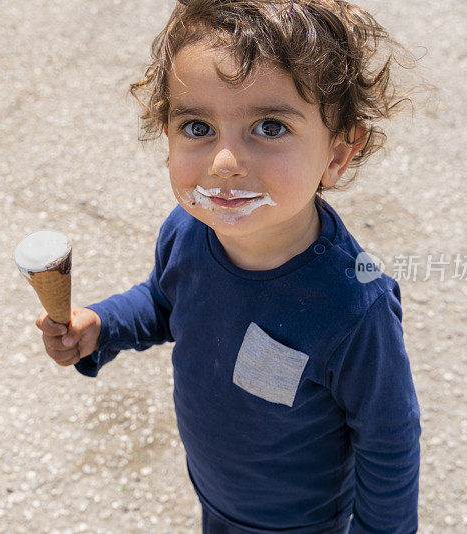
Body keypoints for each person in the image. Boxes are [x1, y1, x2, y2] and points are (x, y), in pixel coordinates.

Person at [36, 1, 421, 532]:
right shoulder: (188, 231)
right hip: (218, 498)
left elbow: (389, 438)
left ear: (337, 153)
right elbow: (163, 302)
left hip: (301, 522)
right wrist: (102, 326)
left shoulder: (354, 307)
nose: (224, 163)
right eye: (197, 127)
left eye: (268, 126)